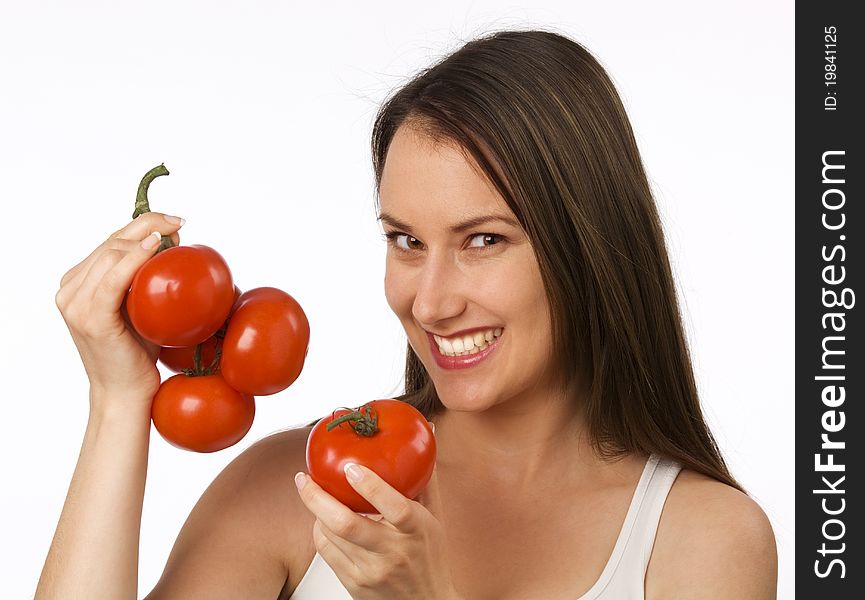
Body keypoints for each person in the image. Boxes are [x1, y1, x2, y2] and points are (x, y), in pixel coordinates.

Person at [37, 29, 777, 599]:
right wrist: (117, 402)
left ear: (588, 245)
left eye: (483, 240)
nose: (429, 301)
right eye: (405, 241)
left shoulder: (700, 539)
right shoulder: (294, 489)